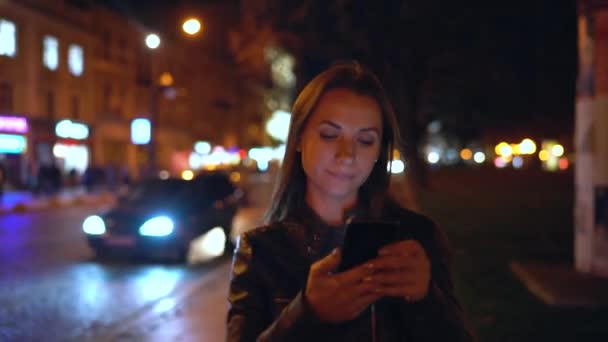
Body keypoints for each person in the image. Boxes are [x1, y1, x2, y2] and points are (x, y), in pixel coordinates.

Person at [226, 61, 474, 341]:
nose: (347, 154)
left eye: (366, 140)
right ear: (298, 138)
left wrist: (426, 297)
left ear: (380, 151)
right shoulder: (261, 251)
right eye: (329, 135)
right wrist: (307, 314)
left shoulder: (416, 238)